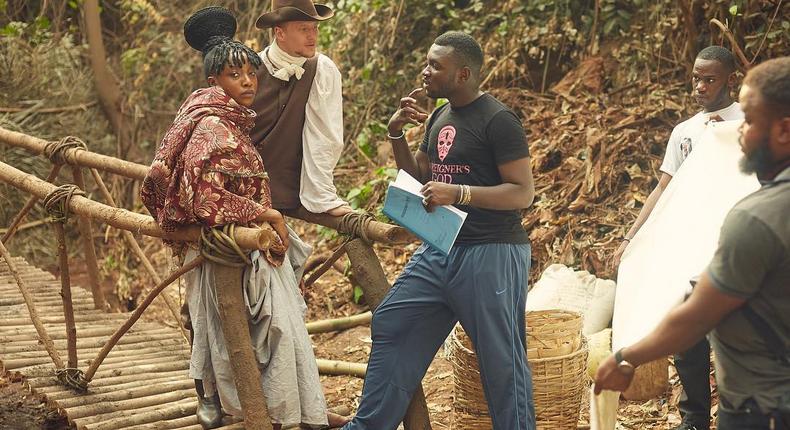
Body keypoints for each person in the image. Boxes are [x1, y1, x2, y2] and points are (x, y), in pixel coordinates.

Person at [140, 7, 347, 429]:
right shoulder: (212, 124)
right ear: (215, 81)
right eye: (237, 76)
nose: (249, 82)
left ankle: (280, 407)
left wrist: (302, 201)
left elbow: (319, 140)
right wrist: (265, 212)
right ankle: (226, 400)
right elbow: (203, 194)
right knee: (212, 318)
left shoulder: (230, 113)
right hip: (223, 235)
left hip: (250, 232)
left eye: (250, 74)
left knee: (264, 325)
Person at [343, 31, 536, 430]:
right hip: (440, 248)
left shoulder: (499, 121)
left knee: (501, 360)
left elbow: (522, 193)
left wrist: (460, 192)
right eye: (426, 62)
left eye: (435, 66)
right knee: (393, 321)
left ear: (463, 74)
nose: (425, 72)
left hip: (492, 252)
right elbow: (420, 176)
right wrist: (396, 134)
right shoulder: (439, 116)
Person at [595, 56, 790, 430]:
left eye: (749, 122)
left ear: (782, 131)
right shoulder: (687, 133)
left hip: (762, 406)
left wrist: (626, 356)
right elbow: (665, 188)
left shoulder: (757, 218)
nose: (740, 133)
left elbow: (698, 314)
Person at [612, 46, 743, 430]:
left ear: (730, 80)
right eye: (695, 78)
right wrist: (629, 238)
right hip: (688, 244)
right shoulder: (684, 132)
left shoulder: (747, 121)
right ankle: (694, 418)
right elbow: (663, 189)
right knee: (688, 339)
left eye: (710, 79)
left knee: (732, 339)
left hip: (734, 244)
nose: (699, 87)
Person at [251, 0, 352, 216]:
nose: (312, 36)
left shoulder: (322, 69)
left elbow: (324, 138)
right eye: (303, 29)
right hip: (242, 189)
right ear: (280, 33)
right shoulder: (249, 69)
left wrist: (323, 196)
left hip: (290, 191)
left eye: (315, 28)